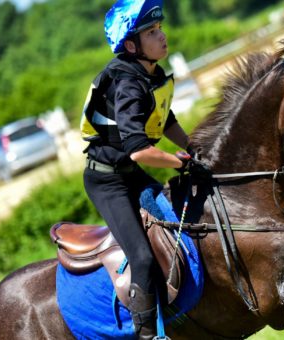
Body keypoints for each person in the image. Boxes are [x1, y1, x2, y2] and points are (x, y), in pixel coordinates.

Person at [80, 0, 197, 338]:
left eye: (160, 29)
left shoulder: (151, 73)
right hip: (108, 182)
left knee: (176, 223)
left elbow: (166, 119)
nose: (162, 37)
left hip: (129, 174)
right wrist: (178, 161)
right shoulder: (128, 85)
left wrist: (192, 148)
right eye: (151, 32)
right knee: (143, 259)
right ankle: (147, 334)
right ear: (131, 46)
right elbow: (138, 152)